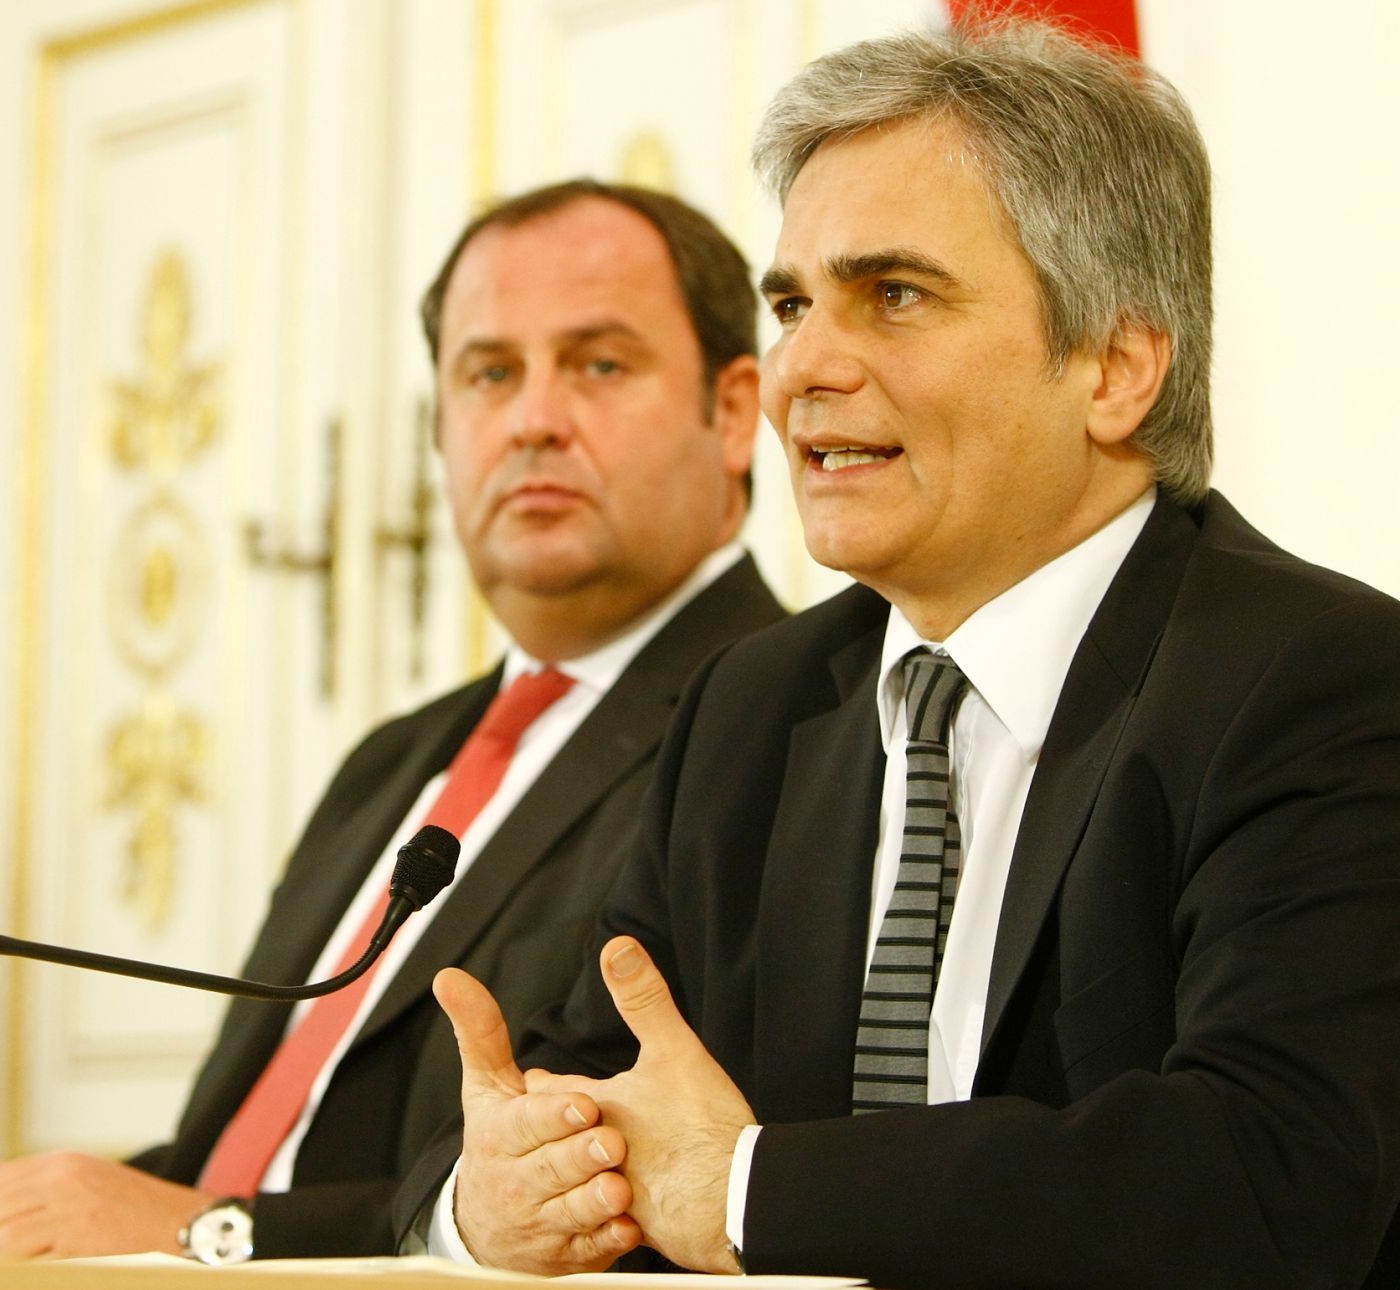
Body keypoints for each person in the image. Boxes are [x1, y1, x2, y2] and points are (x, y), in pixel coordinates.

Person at [407, 22, 1400, 1289]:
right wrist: (499, 1198)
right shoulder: (753, 705)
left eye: (894, 295)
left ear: (1114, 365)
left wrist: (750, 1192)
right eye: (790, 305)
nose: (801, 370)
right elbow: (586, 1093)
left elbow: (1271, 1171)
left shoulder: (1314, 680)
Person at [0, 179, 784, 1262]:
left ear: (729, 411)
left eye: (599, 364)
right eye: (489, 373)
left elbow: (593, 1174)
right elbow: (270, 1155)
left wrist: (213, 1233)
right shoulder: (389, 765)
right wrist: (28, 1205)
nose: (533, 418)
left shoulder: (783, 723)